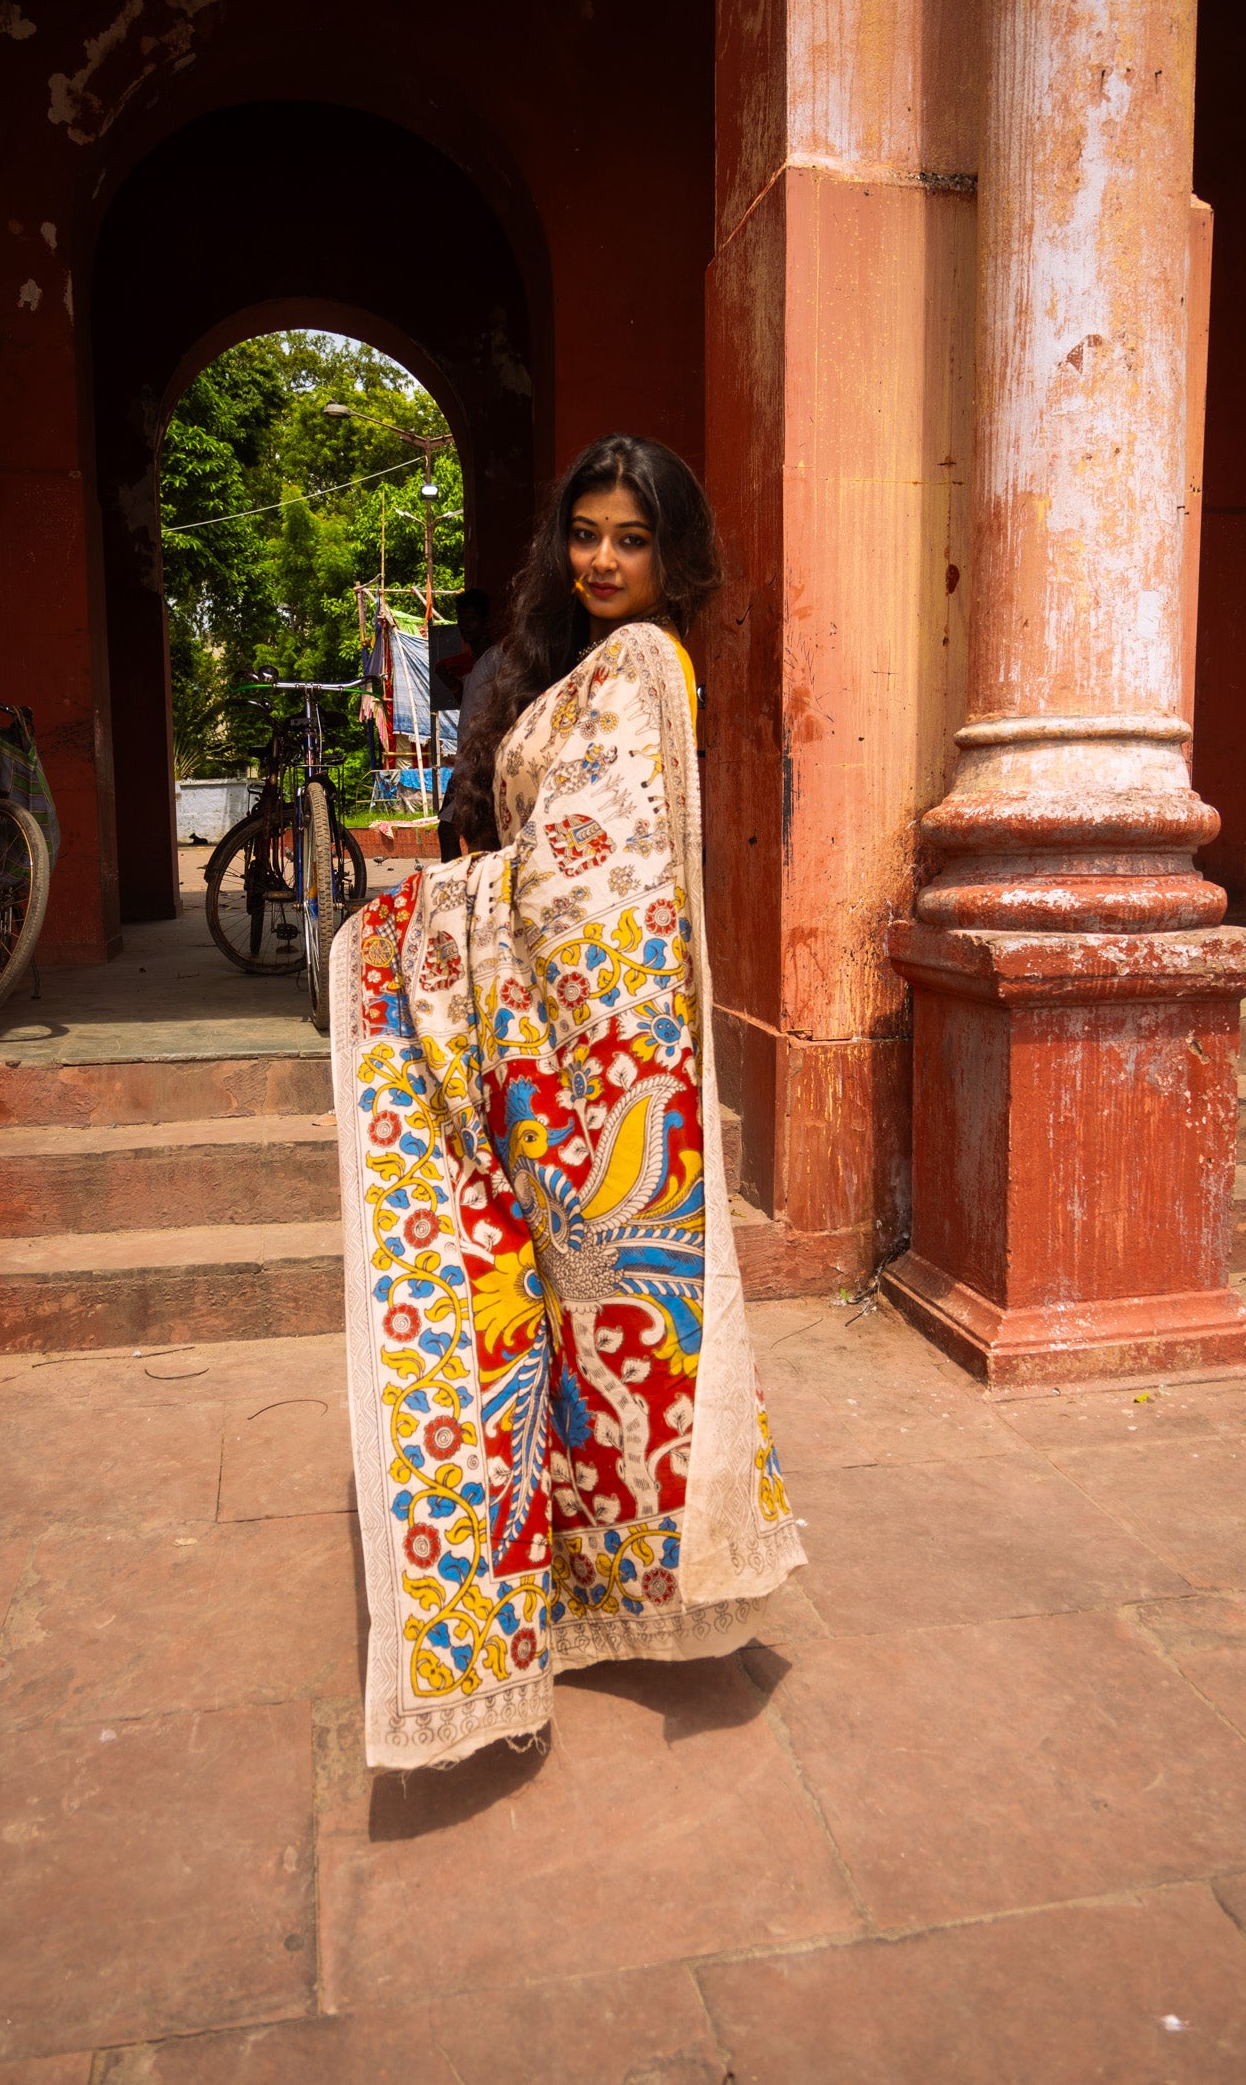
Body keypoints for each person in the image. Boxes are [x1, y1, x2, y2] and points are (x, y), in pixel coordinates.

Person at [330, 435, 803, 1770]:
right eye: (586, 532)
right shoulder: (554, 668)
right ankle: (567, 1582)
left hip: (595, 1057)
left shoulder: (644, 668)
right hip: (534, 1045)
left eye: (631, 538)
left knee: (603, 1323)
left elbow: (595, 882)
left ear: (673, 556)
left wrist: (437, 923)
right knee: (542, 1317)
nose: (603, 558)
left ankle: (628, 1584)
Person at [436, 588, 503, 863]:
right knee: (467, 832)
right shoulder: (473, 665)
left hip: (481, 760)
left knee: (456, 830)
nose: (465, 627)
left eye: (472, 620)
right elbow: (473, 703)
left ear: (486, 621)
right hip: (468, 759)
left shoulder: (496, 658)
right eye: (462, 620)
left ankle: (458, 888)